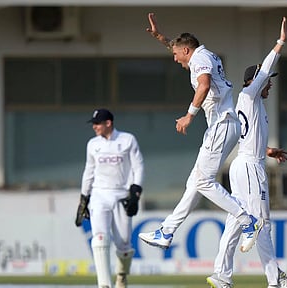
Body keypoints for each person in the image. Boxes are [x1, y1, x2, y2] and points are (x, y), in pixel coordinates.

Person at [138, 12, 263, 253]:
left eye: (175, 54)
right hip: (223, 126)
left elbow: (204, 84)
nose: (174, 59)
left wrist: (189, 115)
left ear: (186, 51)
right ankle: (166, 231)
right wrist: (161, 38)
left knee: (203, 182)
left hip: (222, 124)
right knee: (195, 182)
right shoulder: (200, 55)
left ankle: (248, 222)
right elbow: (183, 53)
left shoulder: (200, 59)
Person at [206, 17, 287, 288]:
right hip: (250, 167)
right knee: (261, 222)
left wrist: (268, 150)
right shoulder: (248, 96)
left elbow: (248, 135)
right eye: (266, 80)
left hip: (247, 162)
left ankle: (221, 275)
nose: (270, 84)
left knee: (237, 221)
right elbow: (264, 73)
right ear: (253, 81)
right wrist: (280, 42)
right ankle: (275, 280)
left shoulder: (255, 105)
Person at [75, 108, 144, 288]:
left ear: (108, 123)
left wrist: (135, 192)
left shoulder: (127, 140)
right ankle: (104, 284)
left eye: (97, 123)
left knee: (124, 244)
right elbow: (88, 171)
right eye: (94, 124)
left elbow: (138, 166)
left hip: (122, 195)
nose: (94, 127)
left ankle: (121, 276)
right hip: (99, 194)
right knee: (99, 237)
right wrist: (84, 198)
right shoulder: (92, 144)